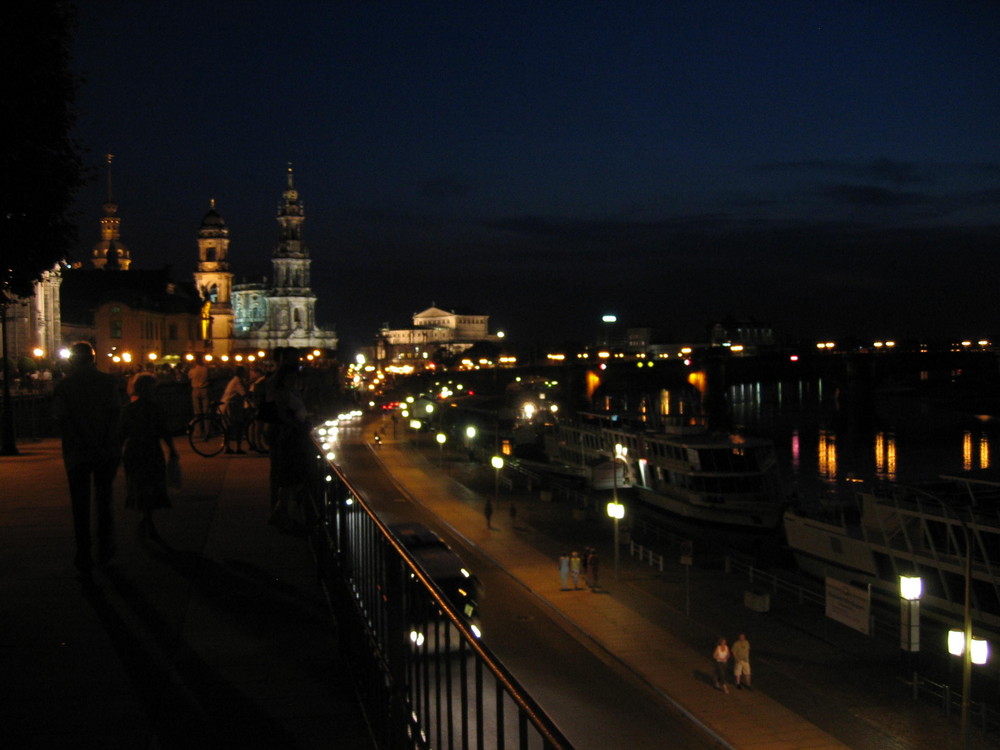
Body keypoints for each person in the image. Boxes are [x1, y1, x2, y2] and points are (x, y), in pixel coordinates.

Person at [52, 342, 123, 574]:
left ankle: (83, 552)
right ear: (93, 359)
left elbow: (63, 420)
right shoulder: (108, 382)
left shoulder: (64, 386)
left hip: (76, 453)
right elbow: (115, 415)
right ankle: (105, 547)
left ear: (72, 360)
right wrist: (107, 443)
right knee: (104, 500)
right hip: (104, 450)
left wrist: (81, 441)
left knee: (79, 505)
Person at [121, 373, 177, 539]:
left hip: (134, 450)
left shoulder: (128, 409)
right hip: (151, 449)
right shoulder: (155, 409)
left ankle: (144, 517)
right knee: (152, 483)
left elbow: (121, 433)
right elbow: (164, 431)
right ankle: (147, 517)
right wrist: (172, 449)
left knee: (138, 484)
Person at [268, 359, 314, 528]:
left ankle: (281, 513)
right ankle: (282, 514)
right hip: (291, 438)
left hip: (296, 435)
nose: (296, 379)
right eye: (293, 376)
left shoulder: (292, 391)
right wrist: (298, 425)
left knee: (292, 478)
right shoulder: (282, 393)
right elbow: (282, 414)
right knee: (290, 477)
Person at [220, 365, 248, 454]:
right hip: (230, 407)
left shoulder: (235, 380)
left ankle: (228, 446)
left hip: (230, 406)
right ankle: (236, 447)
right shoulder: (237, 381)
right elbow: (244, 393)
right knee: (237, 426)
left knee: (229, 427)